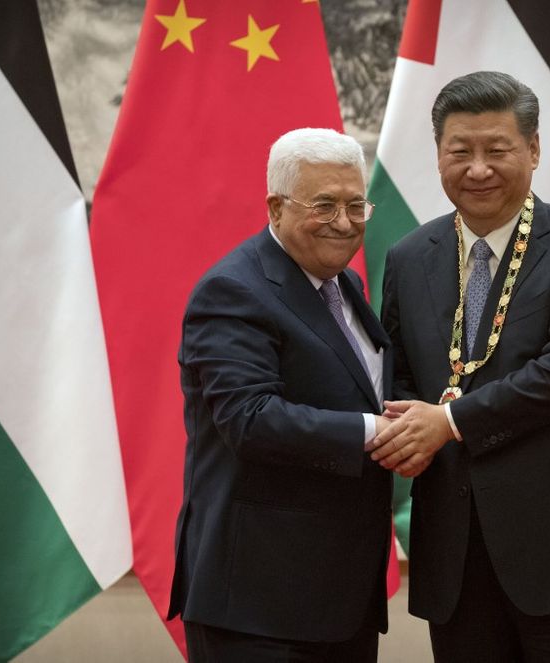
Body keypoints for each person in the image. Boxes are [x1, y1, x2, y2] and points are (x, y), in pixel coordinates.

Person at [372, 71, 550, 662]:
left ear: (532, 150)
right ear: (438, 156)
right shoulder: (407, 257)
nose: (478, 169)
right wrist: (403, 429)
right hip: (455, 550)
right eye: (460, 151)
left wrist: (447, 424)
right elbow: (398, 375)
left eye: (497, 150)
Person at [167, 128, 393, 662]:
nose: (344, 223)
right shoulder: (234, 290)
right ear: (275, 207)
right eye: (324, 205)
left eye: (357, 205)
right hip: (258, 605)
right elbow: (249, 418)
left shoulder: (347, 287)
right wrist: (377, 432)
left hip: (339, 598)